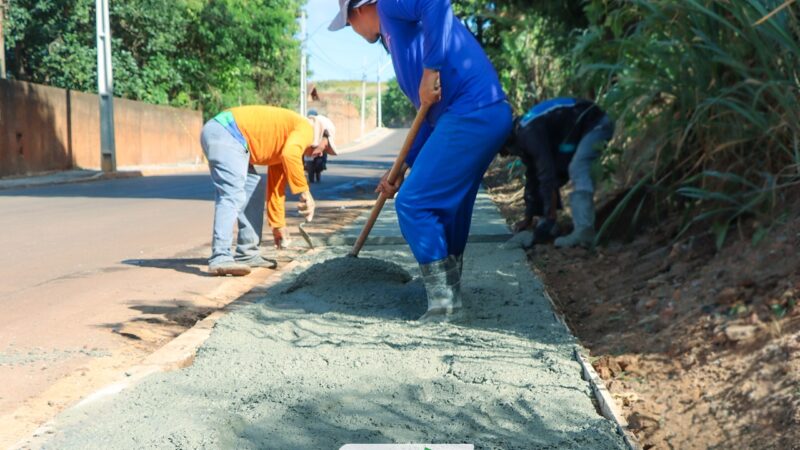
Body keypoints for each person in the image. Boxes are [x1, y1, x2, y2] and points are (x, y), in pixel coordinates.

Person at [330, 0, 512, 321]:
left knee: (414, 203)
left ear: (357, 10)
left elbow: (435, 2)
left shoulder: (388, 7)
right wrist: (400, 167)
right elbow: (429, 121)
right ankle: (449, 291)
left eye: (348, 24)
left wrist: (431, 68)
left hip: (472, 110)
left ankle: (444, 304)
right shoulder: (394, 39)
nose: (353, 31)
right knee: (448, 208)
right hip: (476, 114)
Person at [200, 106, 337, 276]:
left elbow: (276, 189)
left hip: (234, 139)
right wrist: (304, 192)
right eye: (326, 147)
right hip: (226, 131)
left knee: (254, 191)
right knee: (232, 193)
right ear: (321, 134)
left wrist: (278, 225)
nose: (322, 153)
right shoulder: (306, 128)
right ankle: (220, 257)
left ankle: (247, 254)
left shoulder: (287, 144)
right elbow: (290, 154)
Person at [503, 98, 614, 248]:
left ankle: (584, 231)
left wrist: (550, 217)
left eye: (507, 152)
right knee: (555, 172)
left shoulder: (528, 132)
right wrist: (528, 218)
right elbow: (533, 177)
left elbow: (546, 173)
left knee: (578, 168)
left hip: (596, 124)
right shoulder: (524, 129)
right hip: (583, 128)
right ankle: (555, 223)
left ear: (510, 142)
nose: (511, 155)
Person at [304, 110, 336, 183]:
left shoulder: (322, 126)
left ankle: (323, 164)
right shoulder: (305, 126)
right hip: (309, 147)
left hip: (318, 147)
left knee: (323, 153)